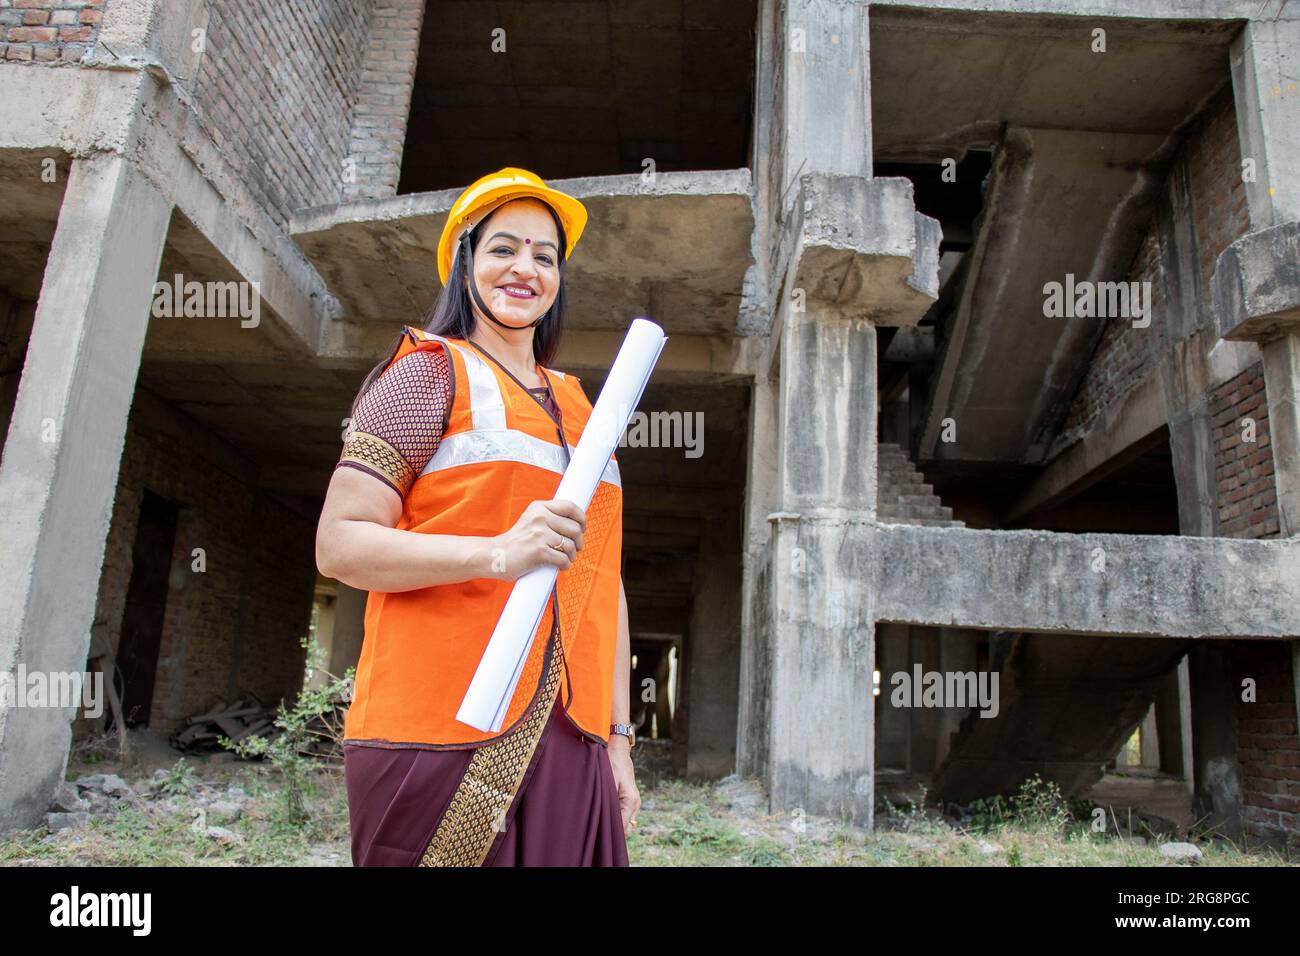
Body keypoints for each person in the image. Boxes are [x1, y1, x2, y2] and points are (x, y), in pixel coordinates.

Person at [315, 167, 641, 866]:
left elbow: (601, 582)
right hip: (435, 731)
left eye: (544, 255)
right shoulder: (424, 376)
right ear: (465, 263)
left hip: (570, 741)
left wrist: (618, 738)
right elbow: (339, 545)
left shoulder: (587, 411)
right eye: (503, 248)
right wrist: (494, 553)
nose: (525, 268)